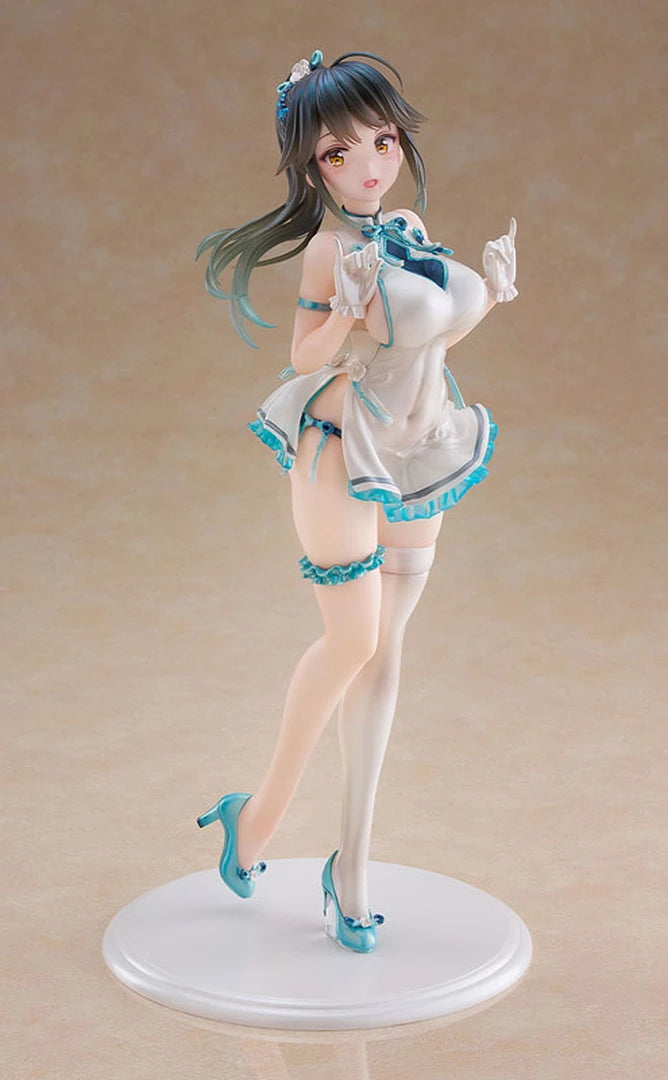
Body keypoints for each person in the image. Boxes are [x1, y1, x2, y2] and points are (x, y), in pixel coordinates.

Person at [195, 50, 518, 954]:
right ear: (313, 165)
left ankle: (353, 870)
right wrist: (344, 311)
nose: (370, 164)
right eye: (340, 152)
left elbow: (430, 336)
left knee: (388, 652)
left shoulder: (410, 226)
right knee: (353, 640)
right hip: (338, 450)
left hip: (418, 449)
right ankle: (259, 815)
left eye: (382, 141)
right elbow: (304, 356)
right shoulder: (329, 250)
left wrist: (494, 295)